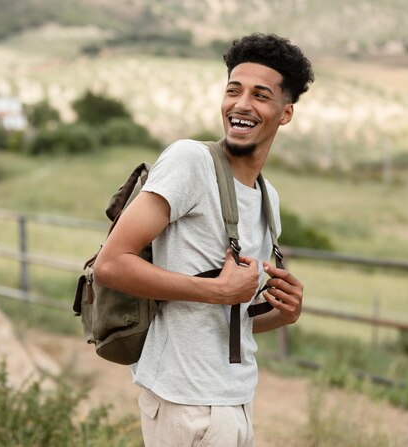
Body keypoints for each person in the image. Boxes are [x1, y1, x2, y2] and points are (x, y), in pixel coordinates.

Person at [93, 33, 313, 446]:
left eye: (260, 95)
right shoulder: (189, 161)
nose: (242, 105)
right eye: (234, 90)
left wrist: (283, 314)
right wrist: (216, 291)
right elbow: (111, 264)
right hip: (183, 404)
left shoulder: (269, 199)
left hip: (237, 400)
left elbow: (233, 319)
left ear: (285, 114)